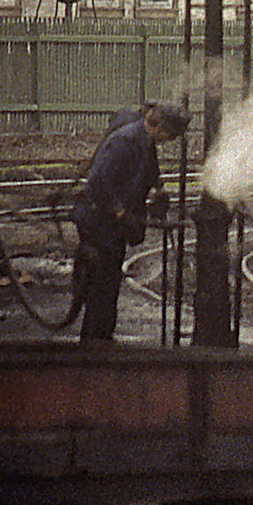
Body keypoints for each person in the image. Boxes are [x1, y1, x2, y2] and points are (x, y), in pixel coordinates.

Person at [72, 102, 188, 343]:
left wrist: (158, 190)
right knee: (101, 285)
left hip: (110, 223)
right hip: (98, 221)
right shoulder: (125, 142)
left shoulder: (145, 141)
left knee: (110, 281)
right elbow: (98, 184)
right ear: (160, 127)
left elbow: (150, 170)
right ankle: (93, 343)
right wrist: (121, 214)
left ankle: (102, 336)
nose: (168, 141)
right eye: (170, 135)